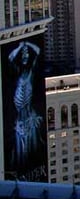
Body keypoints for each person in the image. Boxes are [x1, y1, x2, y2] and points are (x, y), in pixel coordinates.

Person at [8, 40, 44, 173]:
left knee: (32, 149)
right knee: (18, 154)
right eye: (23, 55)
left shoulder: (31, 72)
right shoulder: (18, 72)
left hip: (29, 116)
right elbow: (10, 57)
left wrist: (27, 44)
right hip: (19, 120)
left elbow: (39, 51)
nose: (24, 56)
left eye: (26, 54)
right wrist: (19, 47)